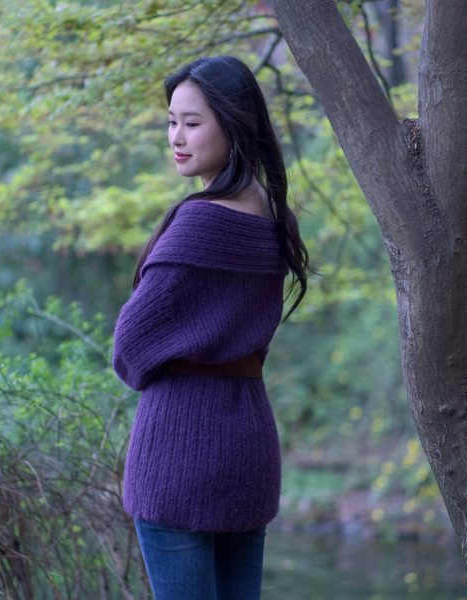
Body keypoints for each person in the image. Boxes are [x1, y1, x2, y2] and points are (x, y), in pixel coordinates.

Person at [112, 55, 310, 600]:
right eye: (171, 122)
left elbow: (129, 347)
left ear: (234, 124)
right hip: (248, 446)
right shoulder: (273, 216)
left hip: (179, 450)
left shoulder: (200, 221)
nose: (176, 137)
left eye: (192, 123)